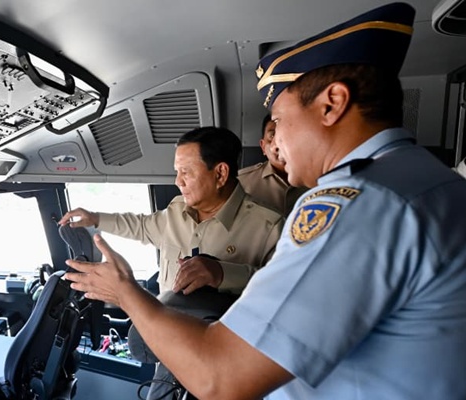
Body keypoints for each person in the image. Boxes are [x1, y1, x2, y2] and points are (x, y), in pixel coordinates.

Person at [64, 3, 466, 399]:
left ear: (332, 104)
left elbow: (222, 378)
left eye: (279, 119)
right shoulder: (431, 182)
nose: (274, 141)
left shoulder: (358, 205)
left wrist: (126, 294)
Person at [60, 126, 283, 399]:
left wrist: (224, 273)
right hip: (168, 344)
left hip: (225, 360)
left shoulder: (268, 227)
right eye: (177, 172)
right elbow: (140, 226)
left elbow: (281, 297)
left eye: (186, 172)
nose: (178, 181)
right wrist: (94, 218)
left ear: (220, 173)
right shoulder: (177, 211)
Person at [238, 114, 308, 217]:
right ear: (262, 146)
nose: (279, 144)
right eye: (272, 136)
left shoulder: (318, 180)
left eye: (287, 135)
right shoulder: (242, 183)